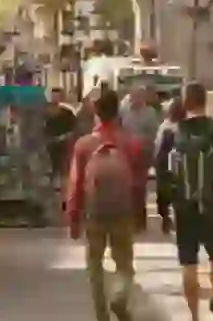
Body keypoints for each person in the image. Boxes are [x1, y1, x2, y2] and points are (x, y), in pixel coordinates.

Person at [156, 82, 213, 321]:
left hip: (184, 207)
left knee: (188, 264)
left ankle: (194, 315)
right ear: (205, 101)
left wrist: (163, 211)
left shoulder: (170, 134)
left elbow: (162, 175)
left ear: (183, 104)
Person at [66, 88, 146, 321]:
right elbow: (139, 181)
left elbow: (76, 182)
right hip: (122, 212)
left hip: (94, 214)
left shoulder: (84, 145)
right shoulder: (130, 144)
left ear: (96, 113)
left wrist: (73, 216)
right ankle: (119, 297)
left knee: (95, 266)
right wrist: (140, 213)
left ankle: (102, 315)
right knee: (124, 264)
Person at [121, 85, 161, 167]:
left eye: (137, 96)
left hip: (143, 154)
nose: (134, 99)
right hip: (128, 154)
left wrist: (140, 141)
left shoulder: (150, 113)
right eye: (132, 96)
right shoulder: (125, 112)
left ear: (143, 97)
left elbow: (155, 134)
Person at [45, 87, 78, 181]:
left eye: (57, 96)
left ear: (61, 97)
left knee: (63, 168)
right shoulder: (46, 112)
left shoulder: (67, 113)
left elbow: (74, 129)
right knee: (52, 167)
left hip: (64, 144)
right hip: (50, 144)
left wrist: (64, 137)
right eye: (53, 96)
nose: (55, 98)